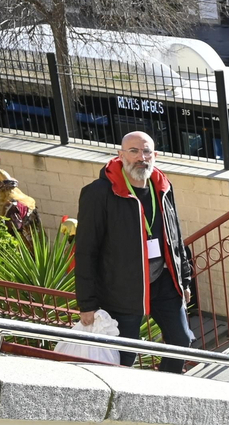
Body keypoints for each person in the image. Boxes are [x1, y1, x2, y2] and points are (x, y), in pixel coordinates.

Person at [75, 130, 195, 374]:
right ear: (120, 155)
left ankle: (165, 390)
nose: (141, 157)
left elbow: (176, 235)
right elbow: (86, 251)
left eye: (146, 151)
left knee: (181, 341)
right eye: (134, 151)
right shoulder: (99, 193)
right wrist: (87, 303)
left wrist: (185, 280)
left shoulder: (162, 186)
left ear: (155, 156)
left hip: (163, 282)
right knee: (124, 356)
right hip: (121, 290)